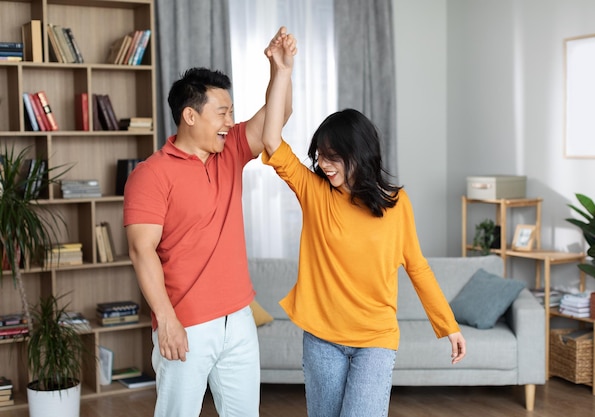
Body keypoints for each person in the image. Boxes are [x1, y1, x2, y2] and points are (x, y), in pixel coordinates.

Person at [262, 35, 466, 416]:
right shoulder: (315, 192)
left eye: (334, 156)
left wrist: (448, 325)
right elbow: (272, 140)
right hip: (321, 338)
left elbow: (417, 267)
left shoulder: (395, 203)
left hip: (376, 338)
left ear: (360, 154)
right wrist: (282, 72)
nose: (324, 164)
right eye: (320, 155)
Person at [123, 28, 297, 417]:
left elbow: (278, 116)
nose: (229, 120)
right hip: (185, 322)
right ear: (190, 115)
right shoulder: (150, 175)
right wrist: (166, 320)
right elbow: (141, 249)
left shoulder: (230, 150)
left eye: (231, 112)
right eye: (222, 112)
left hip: (238, 318)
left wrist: (281, 71)